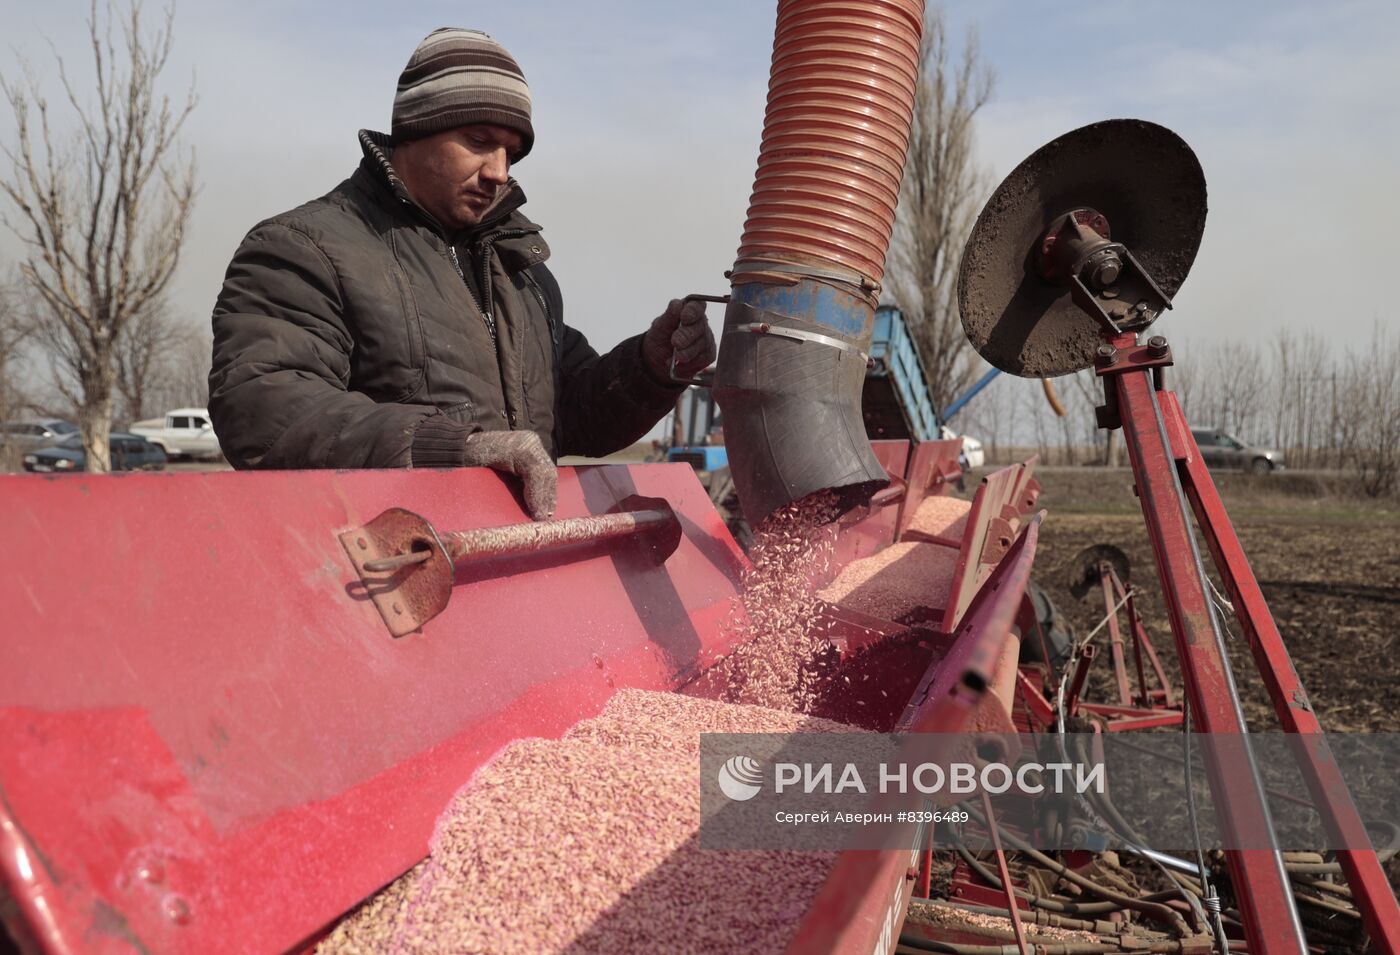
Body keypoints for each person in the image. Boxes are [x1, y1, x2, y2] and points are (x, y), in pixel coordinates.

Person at [208, 28, 715, 520]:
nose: (499, 171)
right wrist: (451, 448)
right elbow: (266, 409)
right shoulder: (304, 248)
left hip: (507, 568)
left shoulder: (523, 276)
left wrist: (650, 368)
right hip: (381, 578)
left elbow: (576, 411)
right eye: (479, 140)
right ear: (415, 130)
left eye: (511, 154)